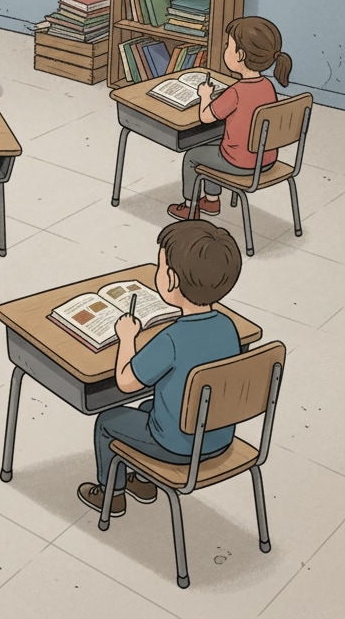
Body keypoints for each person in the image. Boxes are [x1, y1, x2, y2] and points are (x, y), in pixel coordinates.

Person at [77, 219, 243, 516]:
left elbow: (126, 381)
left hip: (179, 447)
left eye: (161, 267)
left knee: (106, 421)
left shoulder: (172, 337)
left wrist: (127, 338)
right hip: (219, 437)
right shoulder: (228, 327)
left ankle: (111, 496)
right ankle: (143, 481)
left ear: (172, 280)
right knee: (146, 406)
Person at [168, 16, 293, 220]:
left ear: (240, 55)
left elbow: (206, 117)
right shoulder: (267, 87)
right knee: (212, 142)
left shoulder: (236, 91)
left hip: (241, 163)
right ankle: (211, 200)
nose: (225, 48)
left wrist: (205, 96)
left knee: (192, 156)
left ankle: (190, 206)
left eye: (228, 45)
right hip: (266, 159)